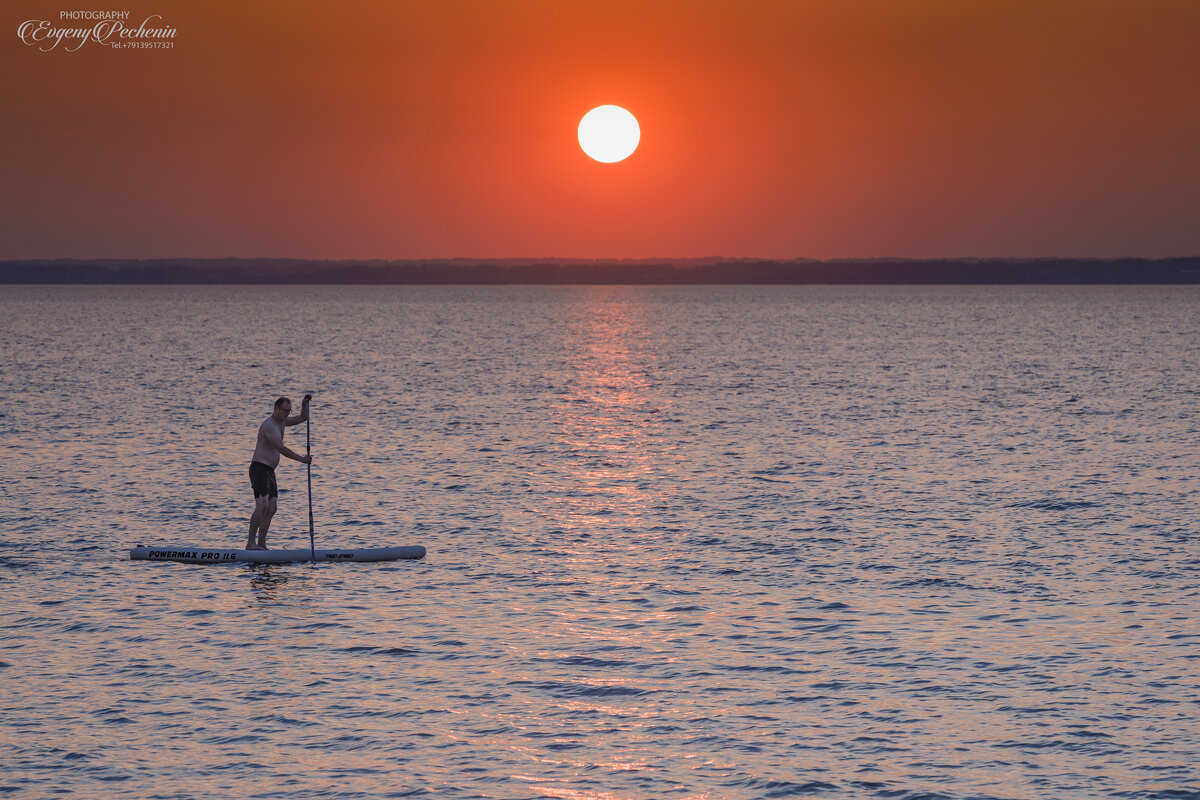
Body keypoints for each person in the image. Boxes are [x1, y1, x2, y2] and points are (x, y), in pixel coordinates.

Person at [246, 394, 312, 550]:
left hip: (270, 471)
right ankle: (250, 543)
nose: (287, 414)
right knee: (262, 505)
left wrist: (304, 404)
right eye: (284, 411)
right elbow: (281, 448)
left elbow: (303, 418)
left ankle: (261, 544)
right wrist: (302, 459)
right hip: (259, 468)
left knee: (272, 507)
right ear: (276, 408)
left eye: (289, 411)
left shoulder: (282, 422)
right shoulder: (269, 426)